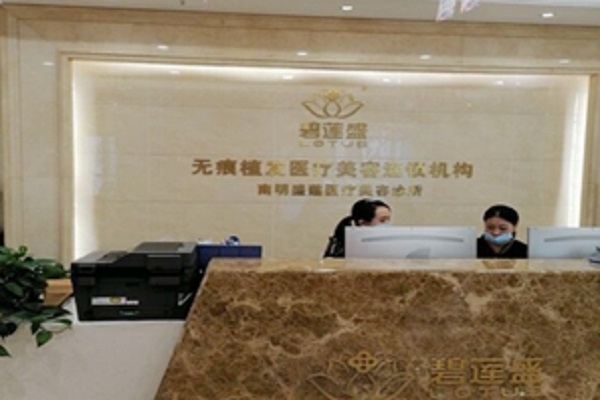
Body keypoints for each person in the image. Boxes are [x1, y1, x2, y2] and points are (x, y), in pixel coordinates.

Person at [323, 198, 391, 258]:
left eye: (388, 220)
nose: (387, 224)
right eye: (382, 220)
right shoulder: (344, 248)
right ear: (363, 224)